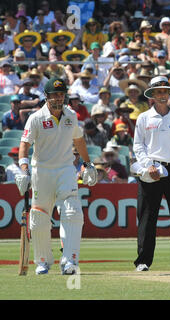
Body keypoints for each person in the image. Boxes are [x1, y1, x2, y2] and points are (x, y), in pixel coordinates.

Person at [14, 77, 97, 275]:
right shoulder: (36, 118)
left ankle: (69, 261)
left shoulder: (71, 116)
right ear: (46, 97)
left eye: (61, 95)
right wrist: (24, 169)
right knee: (40, 218)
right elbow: (24, 145)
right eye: (54, 95)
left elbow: (79, 140)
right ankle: (43, 261)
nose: (58, 99)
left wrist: (88, 164)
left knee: (72, 213)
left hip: (66, 170)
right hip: (41, 171)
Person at [133, 76, 170, 272]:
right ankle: (143, 261)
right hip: (152, 170)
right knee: (147, 218)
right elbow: (138, 146)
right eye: (158, 91)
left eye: (165, 91)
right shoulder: (143, 118)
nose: (162, 95)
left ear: (169, 94)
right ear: (151, 95)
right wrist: (148, 165)